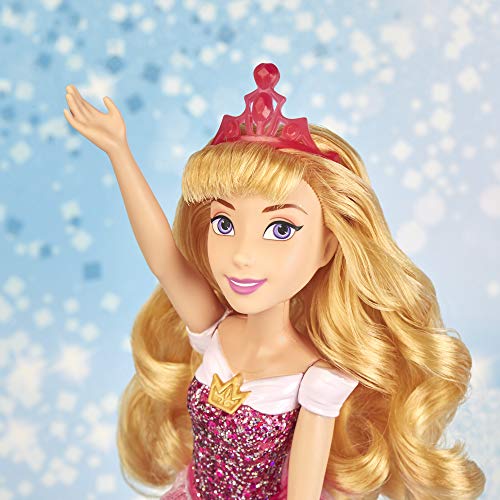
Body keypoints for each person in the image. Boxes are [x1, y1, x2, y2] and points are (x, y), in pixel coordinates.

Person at [63, 63, 485, 499]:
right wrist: (119, 151)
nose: (242, 255)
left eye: (280, 229)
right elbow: (166, 261)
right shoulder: (215, 331)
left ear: (327, 248)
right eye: (224, 224)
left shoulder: (316, 378)